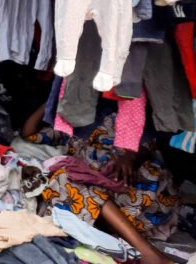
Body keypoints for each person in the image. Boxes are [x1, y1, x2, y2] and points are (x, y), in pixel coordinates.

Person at [22, 104, 178, 264]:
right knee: (65, 177)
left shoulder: (122, 114)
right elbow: (29, 133)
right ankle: (143, 250)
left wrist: (129, 157)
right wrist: (53, 100)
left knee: (80, 178)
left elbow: (148, 143)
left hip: (139, 197)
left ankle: (146, 252)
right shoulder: (70, 127)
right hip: (101, 201)